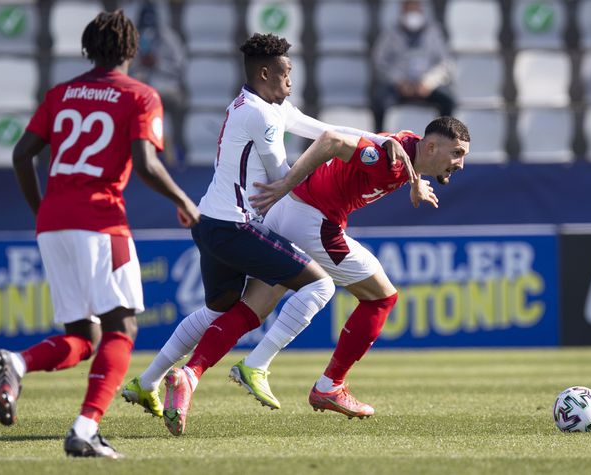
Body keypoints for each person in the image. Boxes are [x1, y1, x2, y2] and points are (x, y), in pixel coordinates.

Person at [120, 32, 410, 435]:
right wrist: (309, 176)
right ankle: (255, 366)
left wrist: (384, 140)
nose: (291, 79)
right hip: (235, 226)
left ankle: (147, 381)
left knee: (218, 312)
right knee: (320, 285)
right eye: (285, 71)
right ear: (264, 72)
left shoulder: (259, 105)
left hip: (210, 223)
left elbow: (319, 127)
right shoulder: (260, 114)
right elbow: (281, 177)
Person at [0, 10, 200, 459]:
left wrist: (41, 209)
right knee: (122, 328)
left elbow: (22, 155)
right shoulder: (140, 95)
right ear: (132, 50)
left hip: (54, 223)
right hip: (101, 221)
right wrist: (183, 199)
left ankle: (17, 363)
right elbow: (145, 163)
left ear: (86, 49)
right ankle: (85, 429)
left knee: (86, 338)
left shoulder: (60, 93)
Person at [236, 116, 469, 418]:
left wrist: (415, 185)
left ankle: (188, 372)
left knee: (253, 307)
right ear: (433, 146)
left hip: (291, 210)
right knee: (381, 297)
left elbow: (402, 148)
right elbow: (332, 141)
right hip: (315, 220)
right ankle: (329, 386)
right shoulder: (390, 161)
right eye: (457, 153)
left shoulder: (408, 144)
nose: (460, 163)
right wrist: (285, 182)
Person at [372, 0, 456, 131]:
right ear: (402, 11)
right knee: (379, 101)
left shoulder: (434, 32)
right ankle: (380, 141)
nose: (412, 14)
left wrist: (428, 82)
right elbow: (379, 62)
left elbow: (445, 63)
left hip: (426, 86)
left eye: (415, 10)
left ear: (421, 11)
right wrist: (399, 81)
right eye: (408, 10)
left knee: (448, 101)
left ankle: (443, 137)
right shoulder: (390, 33)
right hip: (398, 87)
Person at [123, 0, 188, 168]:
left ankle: (170, 154)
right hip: (142, 87)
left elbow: (179, 67)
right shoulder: (132, 38)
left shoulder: (169, 38)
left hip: (166, 86)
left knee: (159, 103)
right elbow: (126, 69)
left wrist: (157, 63)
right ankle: (136, 156)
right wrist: (141, 66)